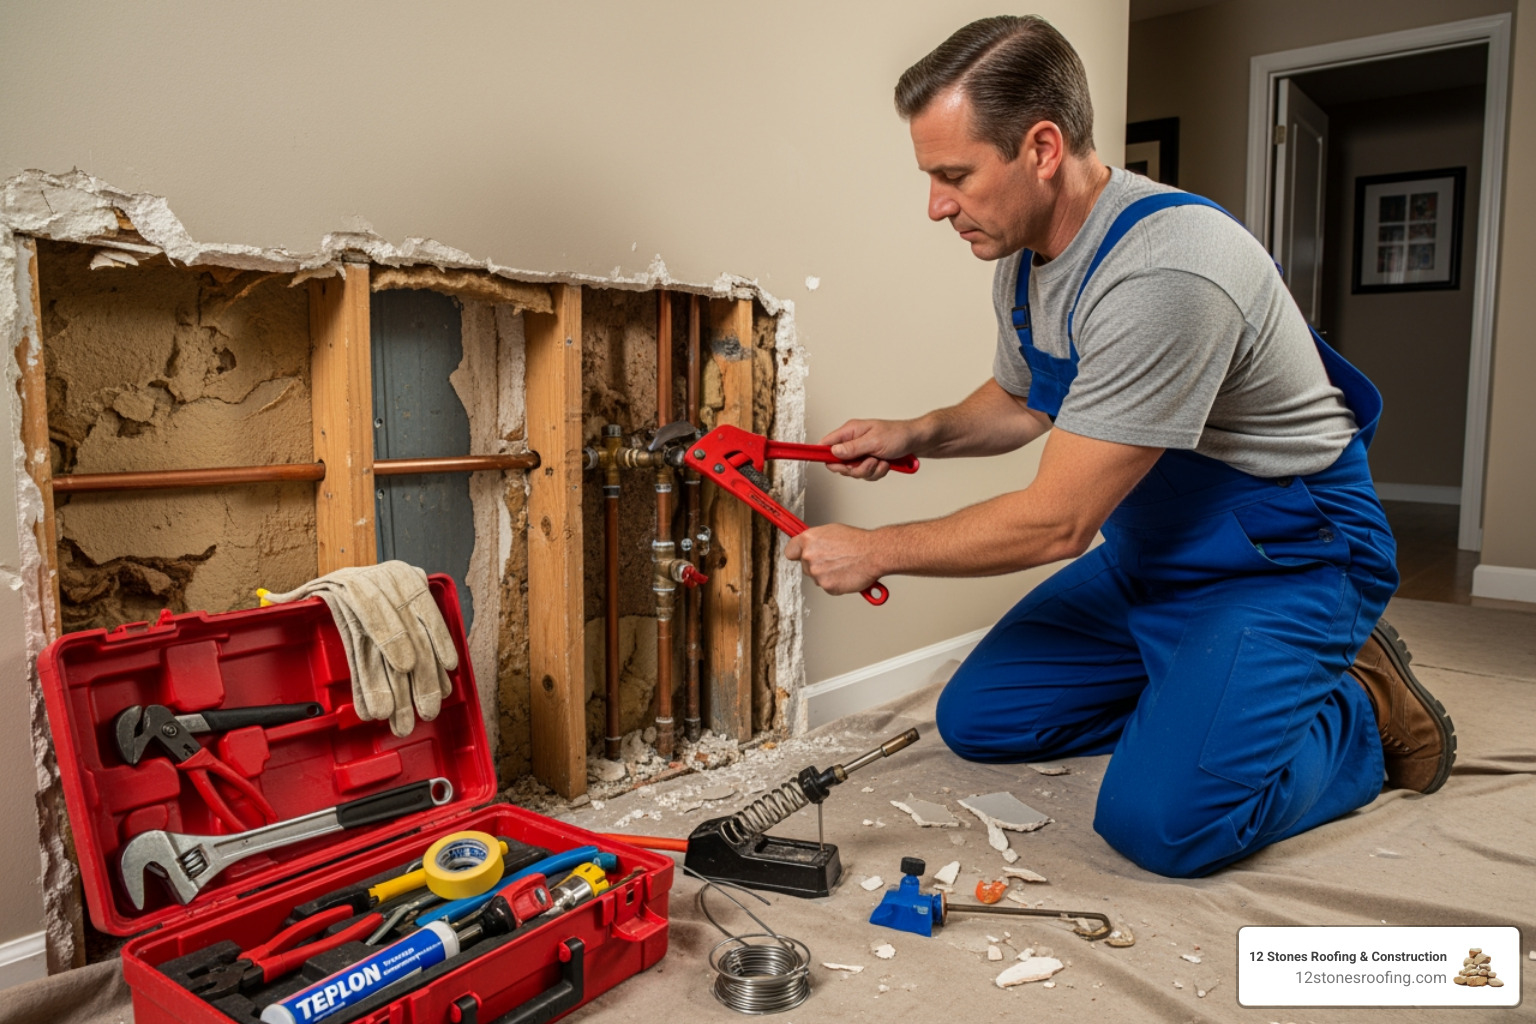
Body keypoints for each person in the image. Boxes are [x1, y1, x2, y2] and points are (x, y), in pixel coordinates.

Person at [783, 15, 1456, 878]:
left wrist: (879, 550)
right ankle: (1211, 696)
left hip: (1288, 554)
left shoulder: (1166, 273)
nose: (936, 205)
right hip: (1156, 552)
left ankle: (1360, 706)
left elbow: (1056, 524)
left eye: (954, 176)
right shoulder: (1026, 258)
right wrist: (922, 431)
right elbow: (1030, 398)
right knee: (984, 720)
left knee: (1164, 825)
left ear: (1041, 147)